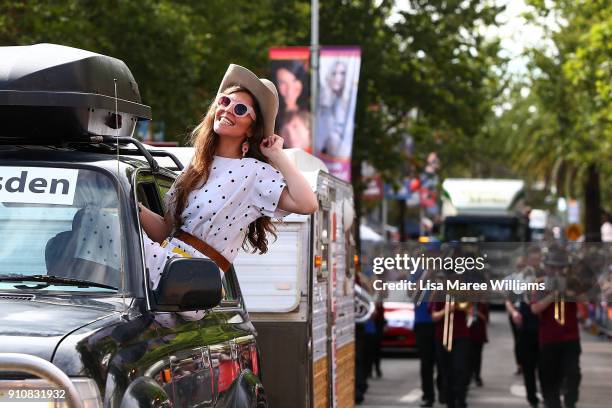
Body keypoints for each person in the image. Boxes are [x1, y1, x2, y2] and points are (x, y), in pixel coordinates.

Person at [139, 64, 318, 307]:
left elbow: (308, 204)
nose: (227, 110)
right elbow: (164, 230)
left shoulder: (255, 173)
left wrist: (277, 155)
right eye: (224, 101)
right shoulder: (195, 167)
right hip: (165, 268)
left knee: (105, 231)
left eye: (240, 109)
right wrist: (128, 205)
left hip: (192, 284)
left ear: (252, 128)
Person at [531, 246, 581, 408]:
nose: (556, 271)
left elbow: (585, 305)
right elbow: (535, 308)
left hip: (570, 338)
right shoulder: (539, 284)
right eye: (553, 267)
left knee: (573, 374)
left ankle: (570, 401)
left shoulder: (573, 283)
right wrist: (553, 295)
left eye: (560, 267)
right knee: (549, 379)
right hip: (549, 339)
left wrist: (568, 292)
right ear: (546, 267)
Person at [505, 245, 542, 408]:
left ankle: (547, 393)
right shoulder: (519, 278)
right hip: (526, 323)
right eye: (532, 258)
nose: (535, 261)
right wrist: (514, 312)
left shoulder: (545, 275)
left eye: (537, 258)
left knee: (544, 364)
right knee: (528, 363)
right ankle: (532, 396)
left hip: (543, 325)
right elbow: (510, 299)